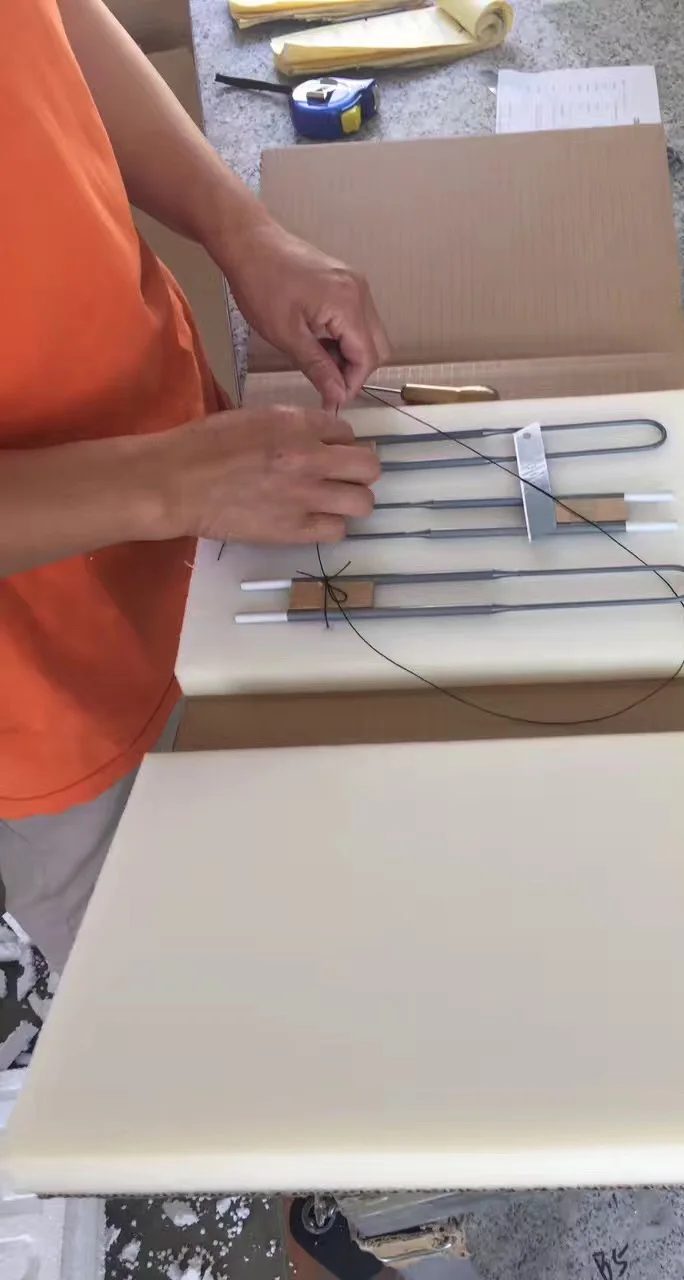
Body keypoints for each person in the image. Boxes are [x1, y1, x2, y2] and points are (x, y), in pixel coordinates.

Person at [0, 0, 390, 974]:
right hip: (43, 682)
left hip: (199, 486)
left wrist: (241, 228)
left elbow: (49, 24)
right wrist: (171, 479)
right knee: (178, 985)